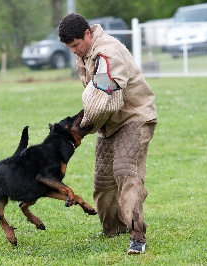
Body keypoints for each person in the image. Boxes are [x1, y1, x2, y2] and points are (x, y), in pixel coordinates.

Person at [58, 13, 157, 255]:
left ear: (87, 35)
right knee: (103, 181)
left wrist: (81, 128)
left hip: (134, 117)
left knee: (125, 172)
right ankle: (113, 228)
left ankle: (137, 238)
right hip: (109, 124)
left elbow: (102, 98)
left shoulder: (108, 52)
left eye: (75, 45)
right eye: (69, 47)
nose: (73, 52)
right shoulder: (86, 53)